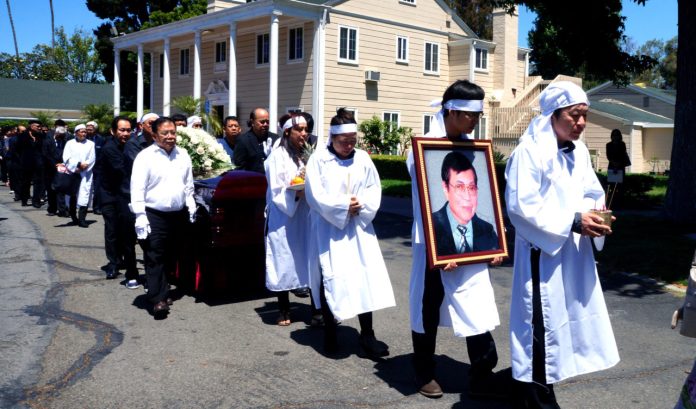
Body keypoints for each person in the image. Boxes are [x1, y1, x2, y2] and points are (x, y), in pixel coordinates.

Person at [505, 81, 620, 408]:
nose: (581, 123)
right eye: (574, 115)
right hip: (543, 253)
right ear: (552, 115)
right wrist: (573, 220)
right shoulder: (529, 153)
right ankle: (537, 397)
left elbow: (592, 191)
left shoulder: (579, 151)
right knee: (540, 323)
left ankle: (539, 386)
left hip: (573, 251)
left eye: (585, 115)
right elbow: (521, 205)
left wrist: (595, 216)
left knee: (564, 320)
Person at [407, 79, 503, 399]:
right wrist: (440, 247)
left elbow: (484, 195)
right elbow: (425, 200)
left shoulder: (473, 147)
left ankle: (482, 371)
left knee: (476, 299)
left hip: (470, 241)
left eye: (477, 115)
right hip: (434, 243)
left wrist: (494, 243)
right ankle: (423, 370)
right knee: (428, 304)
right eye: (469, 115)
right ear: (451, 112)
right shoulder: (424, 148)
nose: (475, 121)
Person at [305, 108, 395, 358]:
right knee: (332, 277)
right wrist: (343, 206)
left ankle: (367, 335)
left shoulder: (363, 158)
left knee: (363, 276)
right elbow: (315, 195)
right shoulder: (319, 160)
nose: (348, 146)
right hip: (329, 229)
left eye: (353, 141)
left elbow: (373, 188)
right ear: (332, 138)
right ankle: (330, 331)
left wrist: (360, 205)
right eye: (344, 141)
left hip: (359, 228)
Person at [130, 116, 196, 316]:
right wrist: (140, 215)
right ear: (155, 135)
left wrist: (190, 204)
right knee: (154, 255)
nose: (170, 136)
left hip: (177, 214)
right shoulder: (145, 157)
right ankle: (157, 299)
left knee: (171, 255)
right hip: (154, 213)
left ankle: (164, 290)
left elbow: (188, 184)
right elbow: (137, 188)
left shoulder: (183, 155)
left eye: (173, 132)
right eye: (165, 133)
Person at [264, 113, 319, 326]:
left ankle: (317, 310)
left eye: (306, 130)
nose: (304, 134)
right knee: (284, 259)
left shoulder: (309, 154)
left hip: (306, 215)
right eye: (299, 130)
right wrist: (296, 193)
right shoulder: (277, 156)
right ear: (288, 132)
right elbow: (276, 190)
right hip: (284, 217)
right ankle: (283, 309)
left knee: (311, 259)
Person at [432, 151, 498, 256]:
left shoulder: (487, 230)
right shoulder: (431, 226)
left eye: (471, 188)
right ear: (446, 189)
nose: (467, 197)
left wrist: (493, 258)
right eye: (459, 187)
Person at [100, 116, 140, 284]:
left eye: (128, 130)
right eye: (122, 130)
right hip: (109, 195)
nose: (125, 133)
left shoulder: (132, 145)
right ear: (113, 131)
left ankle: (124, 259)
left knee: (125, 229)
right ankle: (113, 263)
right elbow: (122, 169)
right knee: (112, 230)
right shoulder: (109, 148)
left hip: (123, 194)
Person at [63, 124, 95, 227]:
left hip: (85, 174)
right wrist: (76, 165)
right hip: (72, 172)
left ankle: (82, 219)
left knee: (84, 195)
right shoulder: (69, 143)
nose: (84, 133)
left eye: (85, 132)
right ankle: (73, 217)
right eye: (82, 132)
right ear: (76, 133)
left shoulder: (91, 144)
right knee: (72, 195)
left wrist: (84, 166)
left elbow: (92, 158)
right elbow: (66, 157)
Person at [233, 108, 278, 173]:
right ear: (252, 122)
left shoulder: (275, 139)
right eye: (262, 122)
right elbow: (239, 167)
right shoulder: (243, 141)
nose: (265, 124)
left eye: (267, 122)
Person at [15, 120, 46, 207]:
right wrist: (21, 159)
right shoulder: (22, 136)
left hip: (38, 163)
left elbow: (44, 148)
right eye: (37, 126)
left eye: (40, 126)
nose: (39, 128)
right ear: (31, 126)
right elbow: (17, 149)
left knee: (38, 182)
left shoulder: (41, 136)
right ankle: (24, 199)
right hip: (26, 163)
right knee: (25, 182)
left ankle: (36, 201)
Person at [42, 123, 68, 217]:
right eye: (60, 135)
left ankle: (62, 210)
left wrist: (62, 164)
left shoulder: (64, 142)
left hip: (62, 168)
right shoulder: (47, 141)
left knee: (61, 189)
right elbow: (45, 154)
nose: (61, 137)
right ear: (56, 134)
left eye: (63, 136)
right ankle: (52, 209)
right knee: (51, 190)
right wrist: (54, 164)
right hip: (50, 168)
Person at [86, 121, 106, 215]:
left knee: (97, 188)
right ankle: (83, 207)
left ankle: (97, 207)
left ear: (95, 129)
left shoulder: (101, 140)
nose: (88, 130)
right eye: (87, 129)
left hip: (98, 168)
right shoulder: (83, 139)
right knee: (85, 188)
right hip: (85, 167)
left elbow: (103, 153)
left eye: (91, 129)